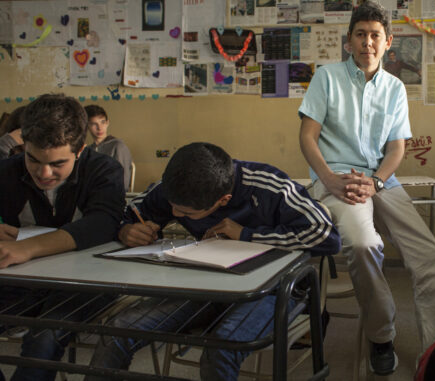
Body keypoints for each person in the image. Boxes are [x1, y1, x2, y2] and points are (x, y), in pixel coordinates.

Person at [85, 142, 340, 381]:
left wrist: (247, 235)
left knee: (222, 347)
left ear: (223, 201)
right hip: (207, 284)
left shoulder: (268, 185)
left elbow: (326, 235)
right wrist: (126, 229)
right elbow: (131, 212)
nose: (174, 215)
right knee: (119, 329)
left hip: (272, 292)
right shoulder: (174, 187)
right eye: (174, 207)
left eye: (186, 214)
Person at [298, 1, 435, 374]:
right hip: (338, 179)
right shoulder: (327, 78)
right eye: (360, 34)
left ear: (388, 42)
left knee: (432, 256)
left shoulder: (395, 88)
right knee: (364, 244)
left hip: (381, 180)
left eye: (375, 36)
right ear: (349, 41)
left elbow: (397, 147)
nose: (368, 42)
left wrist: (378, 181)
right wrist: (329, 180)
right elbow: (307, 137)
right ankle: (381, 335)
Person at [0, 94, 125, 381]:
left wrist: (27, 248)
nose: (44, 173)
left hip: (87, 282)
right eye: (33, 159)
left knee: (44, 338)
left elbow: (102, 224)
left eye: (58, 163)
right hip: (22, 281)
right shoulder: (7, 172)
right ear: (23, 145)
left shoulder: (105, 171)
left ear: (80, 150)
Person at [84, 105, 134, 191]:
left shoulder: (118, 146)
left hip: (111, 195)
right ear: (87, 126)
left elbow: (123, 182)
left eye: (102, 122)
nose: (99, 128)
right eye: (93, 124)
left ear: (107, 123)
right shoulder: (88, 150)